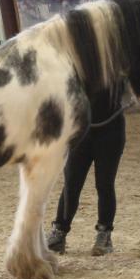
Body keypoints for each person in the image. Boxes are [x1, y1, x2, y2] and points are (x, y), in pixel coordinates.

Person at [47, 84, 126, 256]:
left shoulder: (114, 67)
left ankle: (104, 235)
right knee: (71, 184)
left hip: (110, 132)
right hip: (80, 130)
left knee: (104, 184)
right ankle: (59, 232)